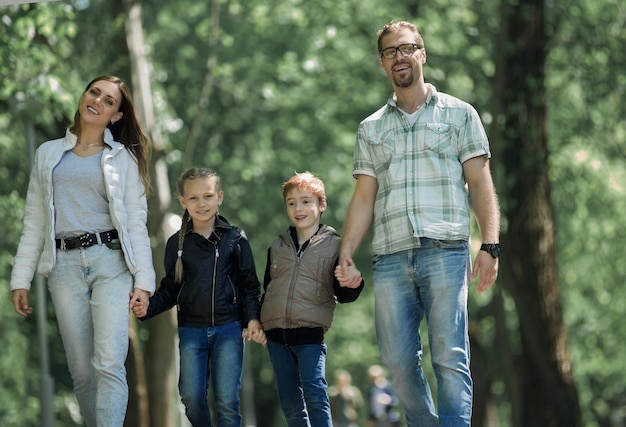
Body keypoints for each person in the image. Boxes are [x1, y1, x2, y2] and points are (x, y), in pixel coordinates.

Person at [335, 20, 501, 427]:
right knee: (396, 363)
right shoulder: (371, 128)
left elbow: (480, 182)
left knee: (449, 356)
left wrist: (490, 245)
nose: (400, 57)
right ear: (382, 62)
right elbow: (363, 197)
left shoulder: (460, 114)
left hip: (445, 250)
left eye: (407, 48)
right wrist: (345, 253)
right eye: (391, 52)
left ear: (422, 53)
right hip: (390, 256)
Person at [10, 75, 155, 427]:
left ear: (116, 116)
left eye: (109, 101)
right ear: (83, 95)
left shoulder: (123, 159)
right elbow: (34, 221)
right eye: (94, 93)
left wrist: (144, 282)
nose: (98, 102)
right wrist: (20, 278)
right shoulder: (48, 153)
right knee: (82, 372)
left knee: (108, 363)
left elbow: (136, 223)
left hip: (111, 263)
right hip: (64, 267)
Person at [132, 167, 265, 427]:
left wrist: (252, 319)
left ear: (220, 197)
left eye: (208, 196)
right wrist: (148, 307)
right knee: (191, 398)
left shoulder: (235, 238)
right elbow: (171, 288)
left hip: (229, 328)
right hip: (191, 330)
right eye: (193, 198)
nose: (201, 203)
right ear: (183, 202)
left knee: (227, 402)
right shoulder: (176, 244)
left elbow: (250, 285)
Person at [260, 171, 364, 427]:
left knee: (315, 393)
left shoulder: (335, 246)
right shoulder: (277, 245)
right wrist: (257, 321)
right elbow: (268, 288)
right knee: (290, 401)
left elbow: (345, 293)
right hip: (276, 337)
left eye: (306, 201)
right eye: (292, 203)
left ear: (321, 205)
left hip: (309, 336)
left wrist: (353, 281)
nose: (299, 208)